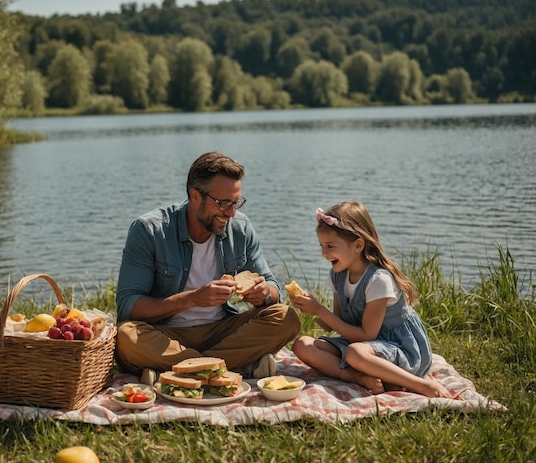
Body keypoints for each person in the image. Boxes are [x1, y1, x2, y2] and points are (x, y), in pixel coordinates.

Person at [115, 151, 300, 384]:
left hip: (222, 332)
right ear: (195, 196)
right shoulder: (149, 231)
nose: (231, 213)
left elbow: (273, 289)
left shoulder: (240, 228)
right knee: (126, 336)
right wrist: (192, 298)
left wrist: (264, 294)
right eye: (223, 203)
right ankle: (234, 367)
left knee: (286, 318)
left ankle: (179, 372)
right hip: (165, 335)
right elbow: (128, 306)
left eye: (236, 203)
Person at [290, 201, 453, 398]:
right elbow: (337, 321)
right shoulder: (337, 275)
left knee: (354, 353)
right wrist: (308, 307)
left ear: (358, 245)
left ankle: (419, 385)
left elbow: (367, 334)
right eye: (322, 246)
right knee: (302, 345)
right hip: (363, 346)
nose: (324, 253)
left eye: (330, 246)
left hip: (398, 347)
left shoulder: (378, 280)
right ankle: (359, 377)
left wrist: (319, 310)